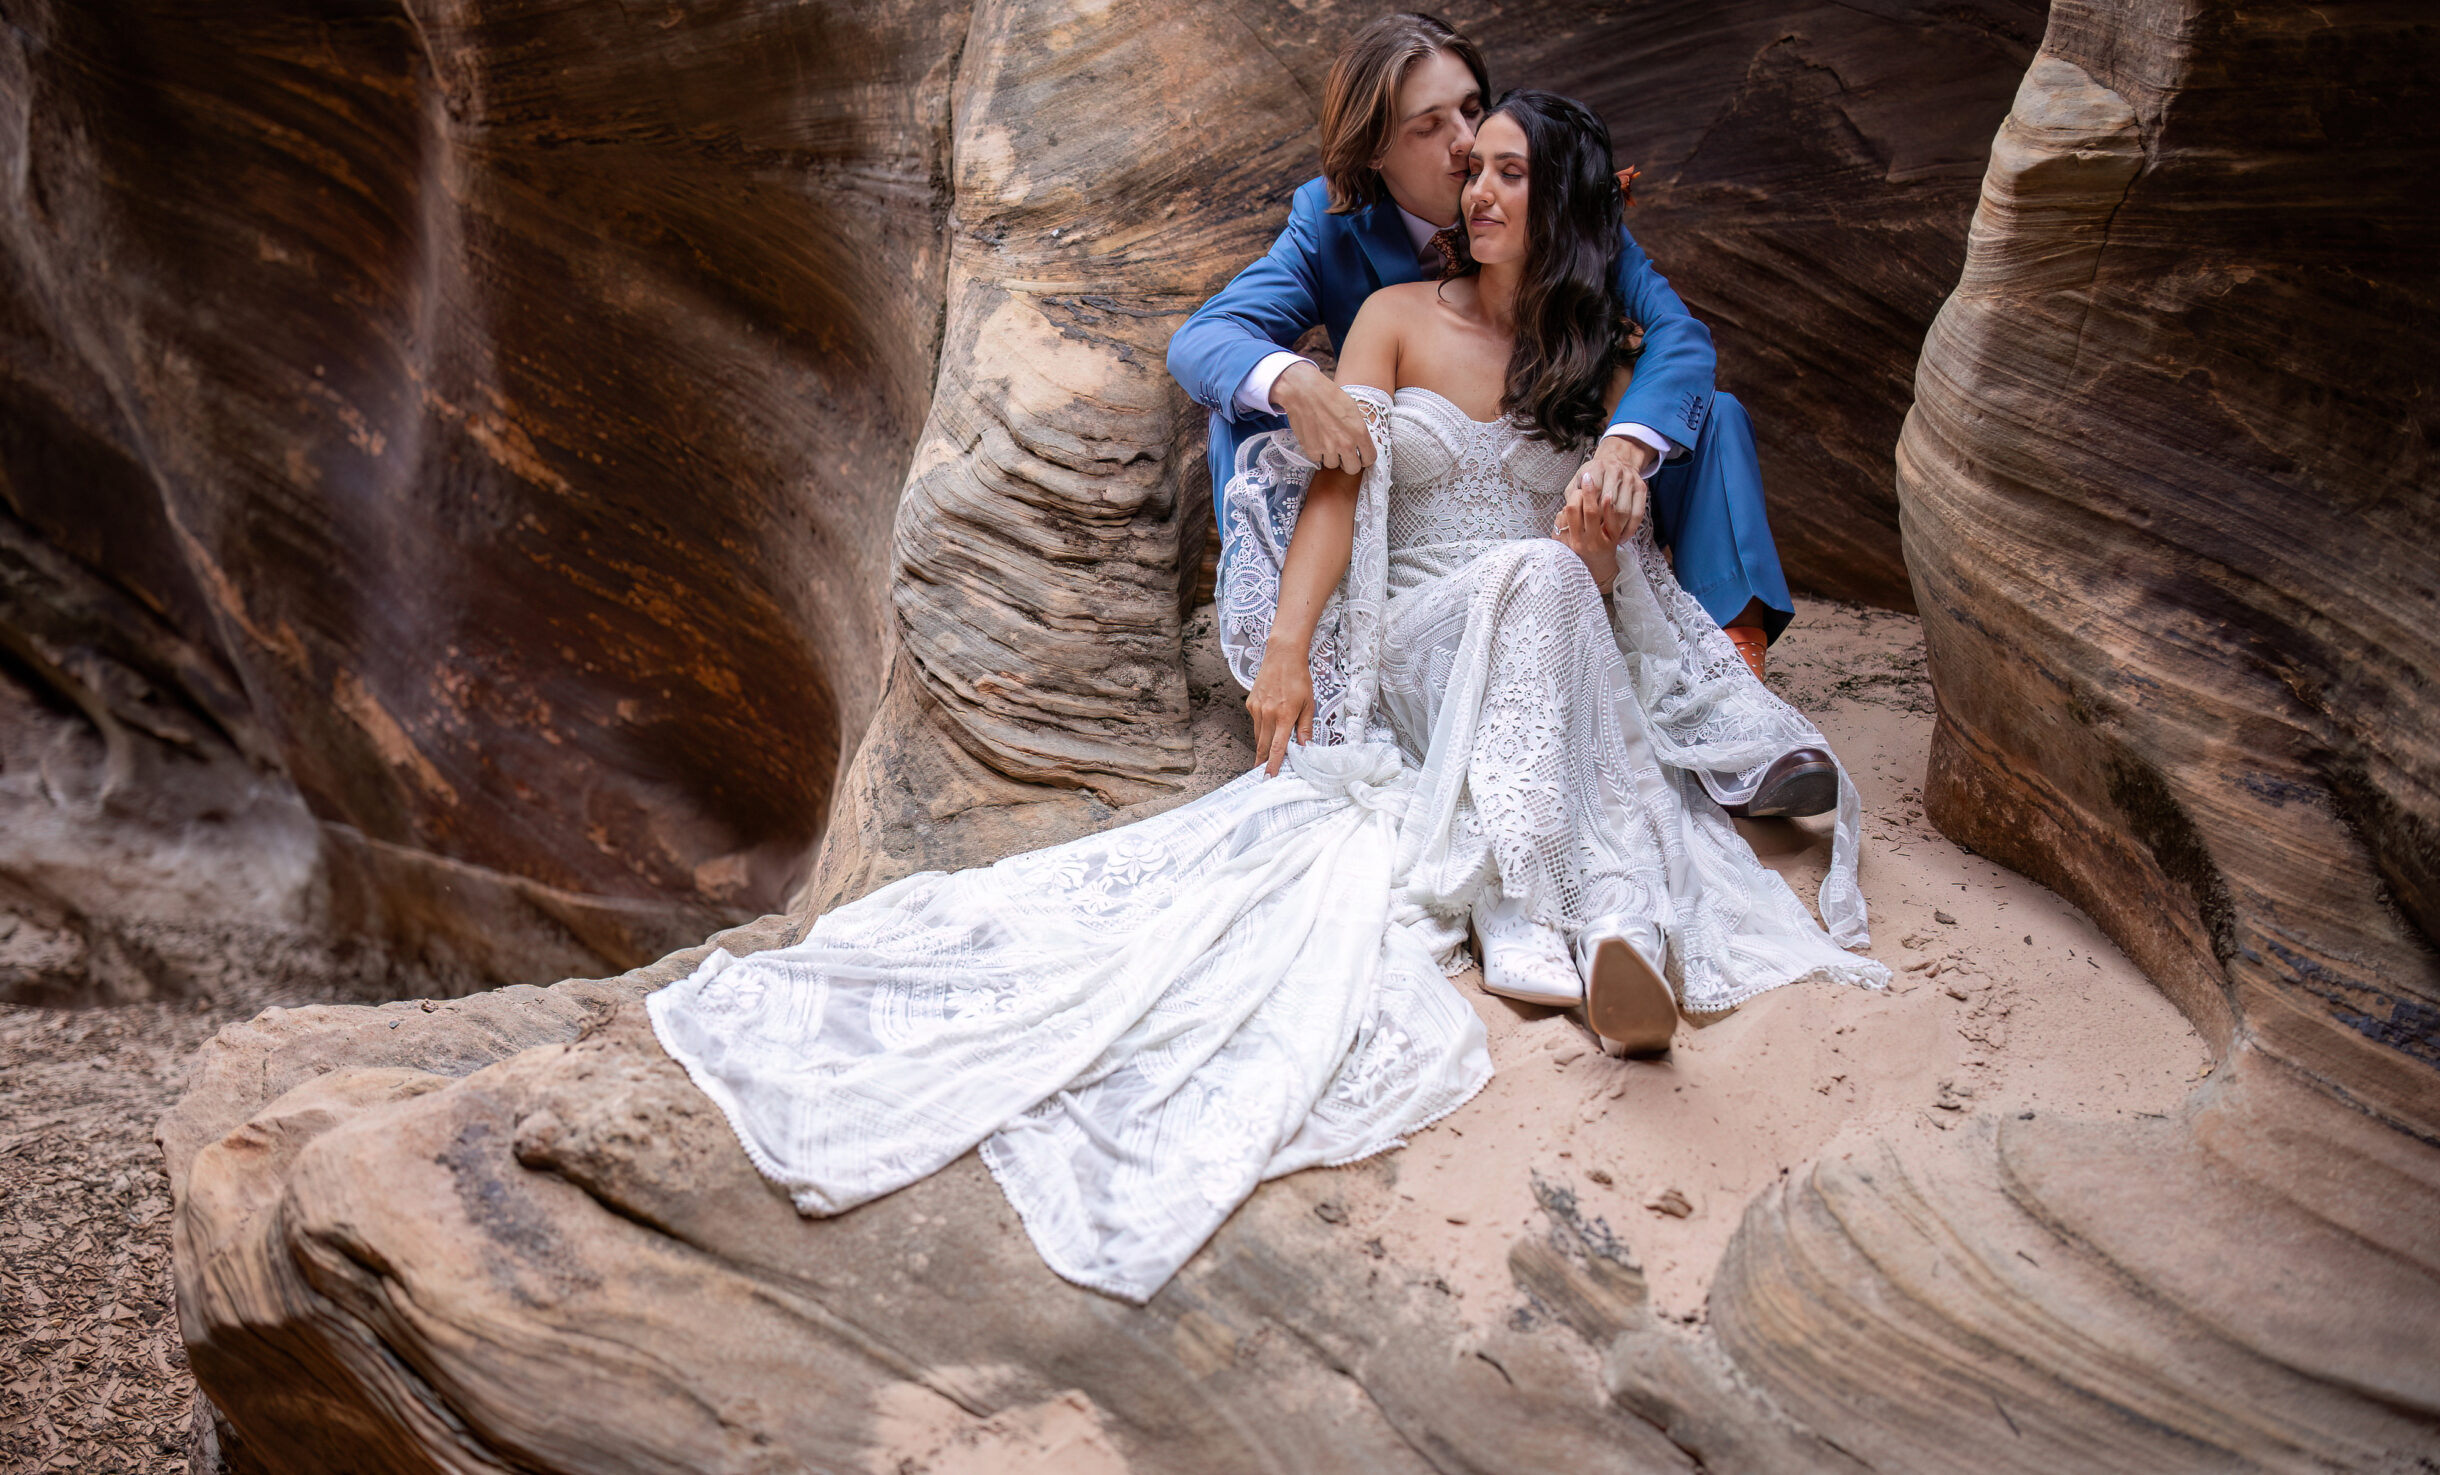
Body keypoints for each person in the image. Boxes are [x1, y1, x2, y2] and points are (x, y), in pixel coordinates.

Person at [648, 88, 1884, 1308]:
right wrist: (1289, 647)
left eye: (1510, 171)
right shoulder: (1393, 315)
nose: (1481, 186)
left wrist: (1598, 518)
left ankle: (1601, 932)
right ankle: (1561, 912)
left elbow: (1617, 509)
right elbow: (1339, 495)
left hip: (1542, 626)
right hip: (1415, 634)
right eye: (1474, 166)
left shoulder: (1595, 350)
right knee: (1530, 574)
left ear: (1563, 202)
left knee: (1553, 575)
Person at [1166, 13, 1832, 812]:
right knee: (1249, 409)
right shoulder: (1331, 225)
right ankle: (1290, 661)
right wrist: (1295, 382)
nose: (1463, 142)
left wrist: (1623, 445)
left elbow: (1679, 336)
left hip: (1545, 503)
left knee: (1704, 412)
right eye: (1431, 125)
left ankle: (1728, 655)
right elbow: (1205, 337)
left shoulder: (1559, 202)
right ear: (1377, 152)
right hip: (1393, 479)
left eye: (1473, 109)